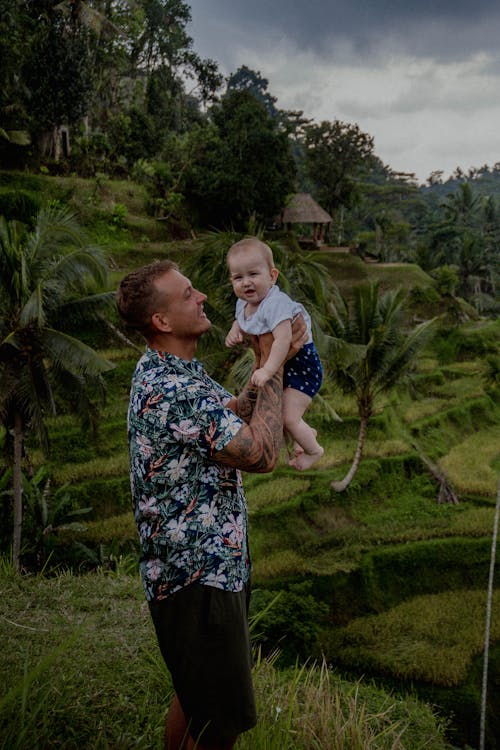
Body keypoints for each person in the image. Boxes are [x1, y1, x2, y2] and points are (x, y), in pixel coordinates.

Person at [116, 259, 307, 750]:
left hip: (208, 569)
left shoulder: (178, 373)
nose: (202, 296)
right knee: (218, 727)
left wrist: (263, 370)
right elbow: (261, 453)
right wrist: (273, 355)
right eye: (186, 294)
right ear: (161, 322)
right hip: (197, 577)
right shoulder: (170, 389)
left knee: (194, 697)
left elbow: (233, 411)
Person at [225, 238, 324, 471]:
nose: (246, 282)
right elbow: (241, 320)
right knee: (283, 415)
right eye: (238, 278)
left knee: (289, 418)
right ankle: (307, 432)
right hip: (287, 364)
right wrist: (234, 330)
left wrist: (267, 370)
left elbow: (283, 339)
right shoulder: (245, 303)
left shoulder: (276, 304)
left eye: (253, 274)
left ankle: (314, 450)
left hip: (303, 367)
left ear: (272, 276)